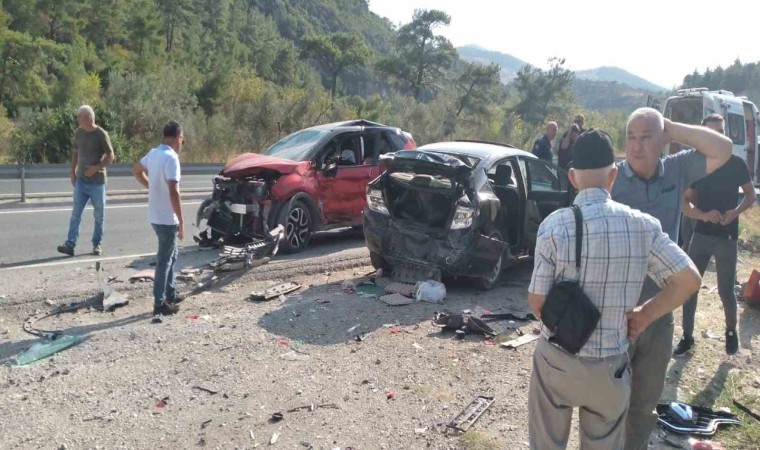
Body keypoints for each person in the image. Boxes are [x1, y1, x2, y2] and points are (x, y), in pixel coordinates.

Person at [528, 129, 701, 450]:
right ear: (613, 176)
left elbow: (537, 301)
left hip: (557, 361)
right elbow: (689, 279)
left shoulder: (554, 225)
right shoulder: (643, 225)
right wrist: (645, 314)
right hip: (611, 368)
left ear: (572, 176)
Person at [611, 108, 732, 450]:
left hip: (660, 310)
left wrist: (673, 127)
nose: (637, 146)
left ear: (663, 139)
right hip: (616, 311)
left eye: (646, 136)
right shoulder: (613, 178)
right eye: (631, 137)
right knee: (608, 401)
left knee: (644, 404)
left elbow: (723, 149)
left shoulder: (677, 169)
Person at [674, 114, 756, 356]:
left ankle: (730, 331)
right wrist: (702, 215)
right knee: (690, 287)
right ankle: (687, 337)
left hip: (727, 238)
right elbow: (685, 203)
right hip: (700, 236)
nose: (715, 137)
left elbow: (750, 195)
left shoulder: (736, 163)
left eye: (720, 132)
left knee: (725, 290)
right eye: (710, 132)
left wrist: (735, 212)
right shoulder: (697, 166)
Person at [132, 121, 186, 322]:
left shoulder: (153, 153)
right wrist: (181, 221)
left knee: (172, 254)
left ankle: (170, 293)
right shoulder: (171, 158)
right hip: (166, 218)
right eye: (182, 139)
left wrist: (151, 186)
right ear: (177, 137)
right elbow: (174, 191)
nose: (182, 143)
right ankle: (159, 304)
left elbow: (136, 170)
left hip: (155, 216)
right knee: (164, 260)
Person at [57, 105, 115, 256]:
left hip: (97, 182)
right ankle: (70, 245)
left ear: (88, 118)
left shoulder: (101, 134)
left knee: (99, 216)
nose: (77, 119)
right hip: (81, 181)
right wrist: (72, 172)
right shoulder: (79, 132)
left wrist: (96, 168)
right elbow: (75, 152)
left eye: (79, 117)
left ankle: (97, 244)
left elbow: (111, 155)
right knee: (75, 214)